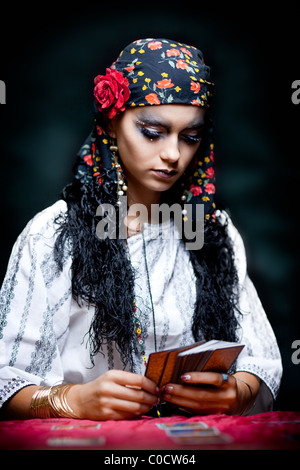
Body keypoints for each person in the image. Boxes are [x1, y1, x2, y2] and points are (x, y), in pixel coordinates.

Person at [0, 38, 282, 421]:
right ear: (112, 123)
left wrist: (237, 393)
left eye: (190, 137)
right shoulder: (54, 236)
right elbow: (6, 379)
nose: (172, 154)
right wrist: (72, 400)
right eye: (152, 132)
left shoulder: (213, 233)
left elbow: (261, 361)